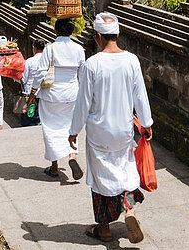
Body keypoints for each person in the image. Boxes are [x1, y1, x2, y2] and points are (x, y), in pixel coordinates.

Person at [69, 13, 153, 244]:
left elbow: (83, 102)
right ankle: (129, 210)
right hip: (124, 130)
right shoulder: (132, 60)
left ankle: (104, 228)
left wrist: (73, 130)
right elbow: (140, 96)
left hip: (99, 132)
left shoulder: (92, 64)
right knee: (125, 171)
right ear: (117, 34)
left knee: (100, 178)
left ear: (98, 37)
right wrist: (146, 124)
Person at [27, 20, 85, 178]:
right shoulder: (79, 49)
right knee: (71, 126)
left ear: (56, 31)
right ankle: (73, 155)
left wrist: (32, 93)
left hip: (51, 95)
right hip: (72, 93)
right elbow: (82, 75)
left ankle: (54, 167)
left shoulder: (50, 48)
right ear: (72, 32)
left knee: (50, 129)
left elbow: (40, 73)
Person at [18, 39, 45, 127]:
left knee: (28, 118)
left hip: (30, 93)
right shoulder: (47, 61)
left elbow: (24, 79)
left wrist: (16, 78)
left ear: (34, 49)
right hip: (43, 92)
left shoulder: (30, 61)